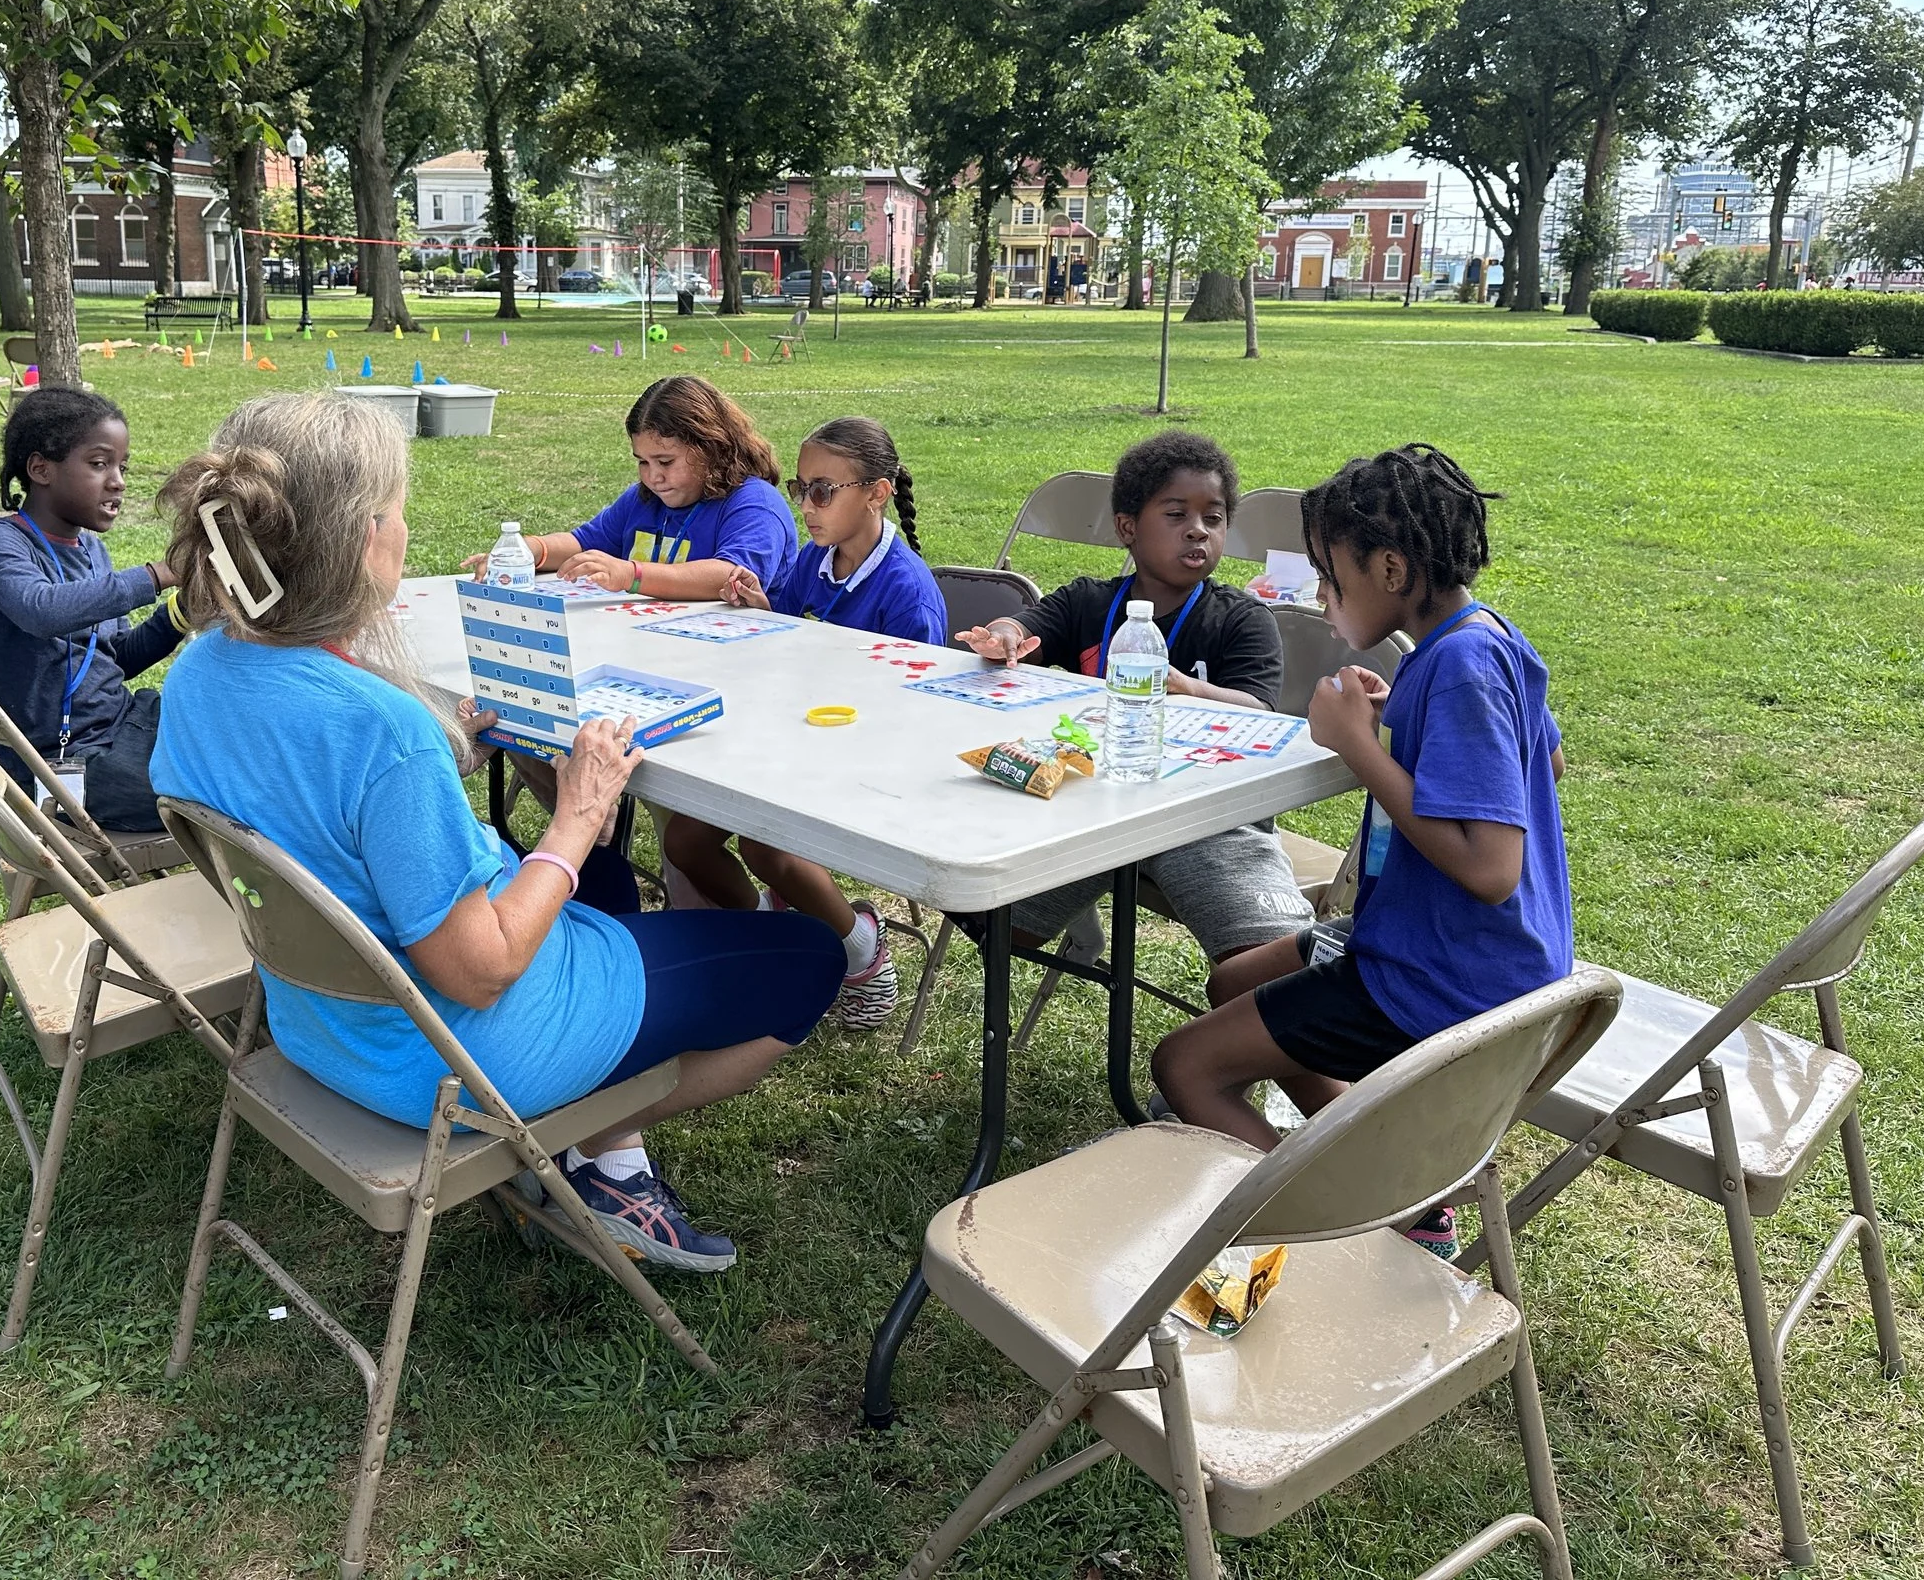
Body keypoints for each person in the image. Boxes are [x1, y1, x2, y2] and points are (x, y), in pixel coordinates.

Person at [153, 393, 842, 1271]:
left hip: (325, 1026)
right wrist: (579, 814)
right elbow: (479, 972)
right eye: (398, 509)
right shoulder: (379, 731)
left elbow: (312, 800)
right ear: (366, 536)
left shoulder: (203, 669)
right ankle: (589, 1148)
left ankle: (601, 1138)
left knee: (607, 891)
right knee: (806, 958)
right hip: (463, 1065)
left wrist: (446, 758)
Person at [1150, 445, 1570, 1257]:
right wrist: (1405, 728)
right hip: (1468, 953)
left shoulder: (1460, 665)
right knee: (1234, 978)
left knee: (1186, 1067)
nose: (1320, 595)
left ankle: (1341, 1232)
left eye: (1328, 574)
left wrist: (1360, 747)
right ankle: (1387, 1177)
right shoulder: (1482, 639)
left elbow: (1491, 868)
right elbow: (1542, 757)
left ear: (1388, 567)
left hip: (1442, 978)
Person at [958, 429, 1313, 972]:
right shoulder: (1089, 601)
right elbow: (1027, 627)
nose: (1198, 531)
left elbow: (1260, 712)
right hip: (1094, 806)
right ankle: (1069, 915)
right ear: (1128, 528)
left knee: (1266, 969)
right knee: (996, 918)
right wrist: (1004, 634)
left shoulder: (1242, 619)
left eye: (1213, 518)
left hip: (1208, 817)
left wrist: (1190, 690)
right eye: (1176, 515)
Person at [666, 417, 949, 1028]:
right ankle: (780, 939)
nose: (807, 506)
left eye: (824, 490)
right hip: (788, 740)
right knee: (684, 841)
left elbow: (918, 713)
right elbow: (790, 638)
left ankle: (859, 947)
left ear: (876, 493)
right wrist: (763, 612)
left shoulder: (908, 594)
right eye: (801, 488)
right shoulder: (814, 560)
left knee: (765, 845)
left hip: (866, 759)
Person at [0, 388, 178, 830]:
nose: (118, 481)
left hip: (123, 725)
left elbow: (116, 658)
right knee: (224, 791)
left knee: (239, 736)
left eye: (122, 466)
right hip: (59, 765)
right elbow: (42, 611)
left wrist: (181, 613)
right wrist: (159, 575)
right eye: (99, 464)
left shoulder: (92, 551)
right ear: (41, 468)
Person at [466, 375, 798, 599]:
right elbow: (583, 542)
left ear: (711, 449)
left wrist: (631, 574)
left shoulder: (754, 503)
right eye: (642, 461)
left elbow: (732, 577)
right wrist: (527, 550)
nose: (652, 476)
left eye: (665, 462)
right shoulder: (644, 499)